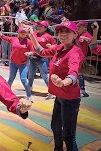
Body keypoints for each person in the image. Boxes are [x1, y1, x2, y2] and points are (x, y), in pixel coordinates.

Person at [27, 21, 83, 151]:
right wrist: (31, 35)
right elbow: (41, 51)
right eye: (61, 32)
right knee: (55, 127)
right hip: (59, 96)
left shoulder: (75, 52)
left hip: (70, 99)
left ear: (75, 35)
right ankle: (57, 149)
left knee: (68, 136)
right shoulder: (59, 48)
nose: (63, 34)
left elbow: (73, 73)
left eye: (67, 32)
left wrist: (63, 82)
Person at [0, 26, 34, 102]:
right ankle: (5, 93)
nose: (23, 34)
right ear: (18, 33)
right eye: (21, 32)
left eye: (24, 33)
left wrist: (30, 53)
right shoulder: (13, 39)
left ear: (26, 34)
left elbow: (33, 50)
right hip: (13, 63)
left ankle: (29, 95)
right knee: (11, 78)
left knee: (24, 80)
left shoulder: (28, 42)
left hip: (23, 64)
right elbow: (3, 37)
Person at [27, 21, 56, 99]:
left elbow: (54, 46)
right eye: (38, 25)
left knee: (44, 75)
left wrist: (50, 46)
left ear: (45, 28)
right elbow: (31, 43)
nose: (38, 27)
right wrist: (30, 52)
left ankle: (52, 91)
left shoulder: (49, 36)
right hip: (33, 57)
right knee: (31, 74)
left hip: (42, 58)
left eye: (41, 26)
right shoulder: (34, 34)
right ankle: (29, 88)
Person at [76, 21, 93, 97]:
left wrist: (85, 38)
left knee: (80, 74)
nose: (78, 28)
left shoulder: (86, 34)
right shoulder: (79, 34)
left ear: (84, 27)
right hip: (76, 56)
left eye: (79, 26)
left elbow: (92, 41)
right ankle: (78, 90)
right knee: (75, 73)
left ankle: (82, 91)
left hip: (81, 57)